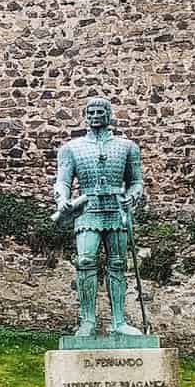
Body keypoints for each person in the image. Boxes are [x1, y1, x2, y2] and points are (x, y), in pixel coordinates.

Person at [51, 96, 146, 338]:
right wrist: (62, 199)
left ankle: (118, 321)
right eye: (91, 112)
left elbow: (136, 181)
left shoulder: (127, 147)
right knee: (84, 261)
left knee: (117, 264)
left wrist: (133, 195)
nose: (95, 116)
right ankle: (87, 321)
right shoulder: (71, 148)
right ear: (85, 115)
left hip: (116, 209)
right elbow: (62, 181)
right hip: (87, 209)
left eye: (100, 111)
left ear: (108, 114)